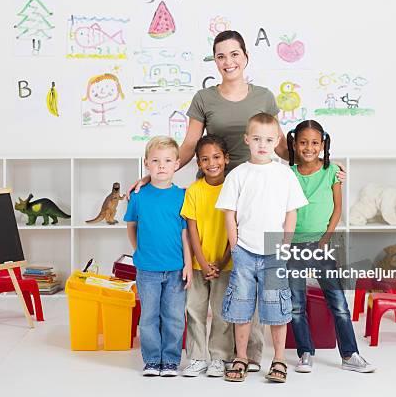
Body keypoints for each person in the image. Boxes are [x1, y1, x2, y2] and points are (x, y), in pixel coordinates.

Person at [128, 29, 346, 371]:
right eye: (220, 56)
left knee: (255, 278)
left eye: (234, 54)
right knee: (222, 278)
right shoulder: (204, 97)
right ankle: (213, 355)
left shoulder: (263, 96)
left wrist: (320, 164)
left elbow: (279, 146)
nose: (228, 61)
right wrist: (159, 174)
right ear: (215, 61)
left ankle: (251, 354)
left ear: (245, 56)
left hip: (257, 197)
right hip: (216, 192)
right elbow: (188, 145)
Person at [216, 113, 308, 383]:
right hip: (244, 250)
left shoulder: (284, 174)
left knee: (276, 307)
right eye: (256, 139)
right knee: (241, 306)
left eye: (269, 140)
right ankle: (241, 357)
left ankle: (278, 358)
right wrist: (234, 246)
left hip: (273, 249)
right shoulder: (238, 174)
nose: (262, 144)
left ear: (277, 140)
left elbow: (291, 213)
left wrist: (285, 244)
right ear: (247, 140)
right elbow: (228, 214)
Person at [286, 120, 376, 373]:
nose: (309, 147)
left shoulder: (331, 172)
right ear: (294, 143)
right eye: (303, 142)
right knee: (296, 304)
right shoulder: (288, 173)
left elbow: (337, 209)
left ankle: (350, 355)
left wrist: (324, 240)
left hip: (322, 245)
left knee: (338, 303)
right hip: (292, 246)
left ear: (323, 145)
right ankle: (305, 352)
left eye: (315, 142)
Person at [124, 136, 193, 377]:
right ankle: (152, 360)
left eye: (167, 161)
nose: (161, 165)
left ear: (176, 164)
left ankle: (171, 361)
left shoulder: (183, 196)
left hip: (176, 269)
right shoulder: (138, 196)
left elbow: (186, 234)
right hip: (147, 270)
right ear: (146, 164)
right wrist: (138, 250)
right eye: (155, 161)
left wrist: (188, 264)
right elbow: (131, 226)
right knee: (149, 316)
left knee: (174, 317)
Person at [180, 135, 234, 378]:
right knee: (194, 310)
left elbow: (237, 227)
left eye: (216, 157)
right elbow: (191, 229)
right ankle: (197, 357)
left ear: (226, 159)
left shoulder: (234, 188)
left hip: (227, 263)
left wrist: (222, 262)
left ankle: (219, 357)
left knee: (222, 312)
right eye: (205, 159)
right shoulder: (194, 191)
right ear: (198, 164)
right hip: (198, 263)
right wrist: (201, 262)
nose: (211, 163)